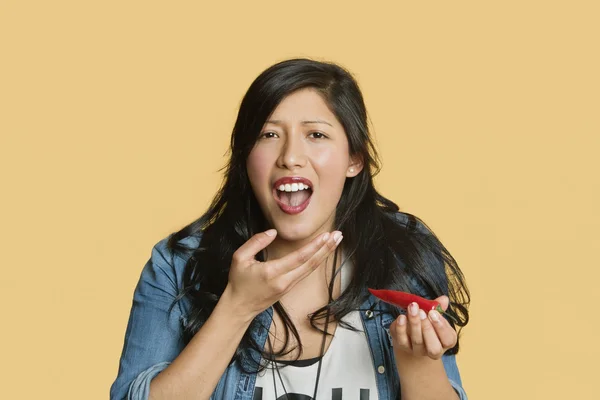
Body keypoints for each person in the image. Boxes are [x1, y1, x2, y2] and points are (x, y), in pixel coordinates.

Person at [110, 58, 470, 400]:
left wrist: (420, 362)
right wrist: (237, 308)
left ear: (354, 159)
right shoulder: (178, 265)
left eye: (316, 134)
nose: (290, 156)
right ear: (245, 156)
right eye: (268, 134)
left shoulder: (402, 253)